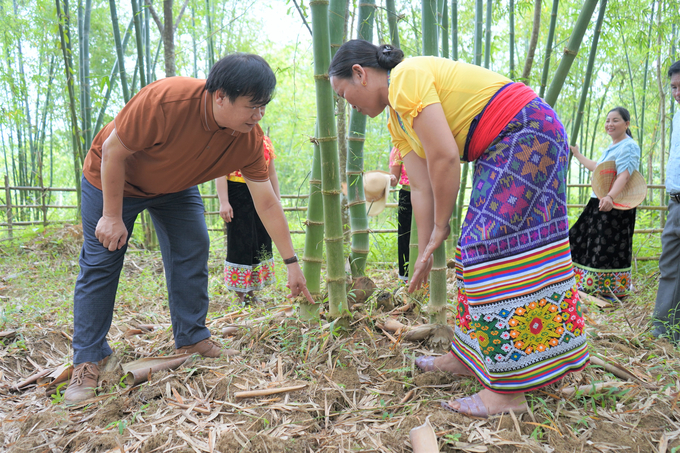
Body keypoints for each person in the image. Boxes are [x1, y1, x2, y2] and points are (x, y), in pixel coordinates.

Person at [329, 40, 589, 417]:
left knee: (488, 249)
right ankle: (469, 356)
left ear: (360, 73)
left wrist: (441, 226)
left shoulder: (404, 78)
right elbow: (419, 186)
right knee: (474, 250)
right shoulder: (396, 118)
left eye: (344, 94)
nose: (346, 103)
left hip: (526, 131)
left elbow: (446, 156)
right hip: (505, 143)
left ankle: (508, 393)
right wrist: (425, 248)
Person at [65, 53, 314, 404]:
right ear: (220, 97)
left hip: (175, 187)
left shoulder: (248, 139)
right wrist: (111, 215)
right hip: (113, 178)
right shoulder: (166, 101)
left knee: (194, 245)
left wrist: (291, 263)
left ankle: (192, 336)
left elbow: (268, 202)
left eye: (264, 106)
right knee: (103, 259)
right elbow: (112, 151)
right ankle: (88, 359)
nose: (259, 115)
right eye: (252, 106)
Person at [568, 107, 641, 299]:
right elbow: (597, 168)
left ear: (626, 124)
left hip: (615, 205)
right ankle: (589, 285)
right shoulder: (612, 146)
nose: (610, 124)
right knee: (582, 239)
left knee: (608, 246)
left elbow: (624, 175)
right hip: (599, 201)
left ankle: (611, 292)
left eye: (615, 120)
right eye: (608, 120)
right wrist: (577, 155)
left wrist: (610, 197)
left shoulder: (629, 146)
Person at [215, 135, 280, 304]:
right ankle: (239, 295)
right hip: (237, 194)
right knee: (239, 241)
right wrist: (224, 201)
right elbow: (220, 173)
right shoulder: (229, 139)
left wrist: (277, 200)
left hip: (262, 192)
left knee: (259, 240)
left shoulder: (265, 141)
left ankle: (251, 291)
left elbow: (271, 173)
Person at [652, 61, 680, 343]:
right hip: (676, 202)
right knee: (670, 262)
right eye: (673, 86)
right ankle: (664, 328)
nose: (677, 92)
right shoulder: (676, 117)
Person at [389, 146, 412, 284]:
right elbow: (394, 180)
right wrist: (388, 178)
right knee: (405, 236)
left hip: (428, 193)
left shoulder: (428, 139)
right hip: (407, 194)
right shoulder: (399, 148)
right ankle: (405, 277)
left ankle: (430, 275)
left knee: (427, 235)